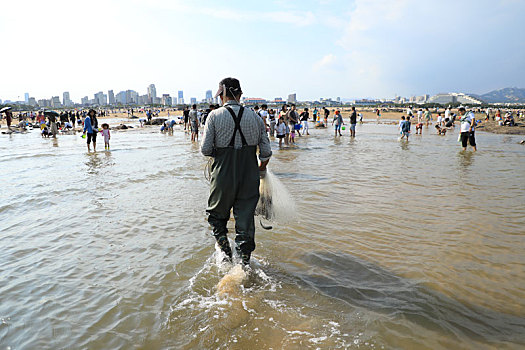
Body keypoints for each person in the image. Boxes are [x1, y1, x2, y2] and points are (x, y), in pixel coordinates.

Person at [201, 77, 272, 266]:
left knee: (216, 216)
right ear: (240, 94)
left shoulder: (214, 116)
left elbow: (205, 150)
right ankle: (243, 265)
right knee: (245, 221)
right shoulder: (255, 118)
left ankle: (225, 253)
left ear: (223, 94)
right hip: (249, 175)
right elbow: (265, 152)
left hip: (222, 174)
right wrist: (260, 169)